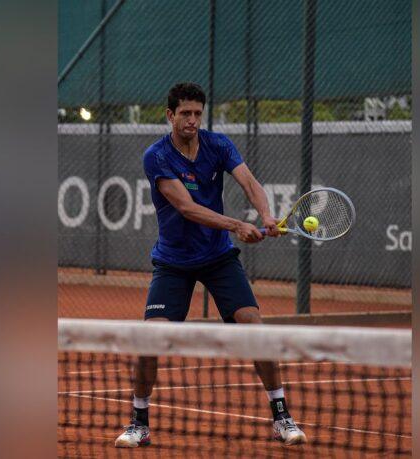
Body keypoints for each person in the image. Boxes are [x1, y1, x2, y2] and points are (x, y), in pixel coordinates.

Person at [115, 82, 307, 448]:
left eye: (197, 114)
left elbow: (248, 181)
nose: (191, 120)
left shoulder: (218, 145)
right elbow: (186, 208)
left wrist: (265, 214)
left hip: (218, 257)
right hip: (174, 261)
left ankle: (281, 415)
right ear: (170, 115)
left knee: (254, 326)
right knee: (150, 337)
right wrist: (237, 225)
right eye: (184, 113)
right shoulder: (156, 156)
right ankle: (139, 421)